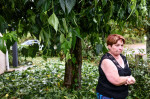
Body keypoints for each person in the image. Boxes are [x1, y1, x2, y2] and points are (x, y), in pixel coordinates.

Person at [96, 34, 136, 99]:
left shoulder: (123, 58)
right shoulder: (107, 60)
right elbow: (116, 81)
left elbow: (128, 73)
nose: (120, 48)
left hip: (122, 95)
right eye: (117, 45)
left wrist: (130, 78)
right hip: (107, 95)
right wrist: (128, 79)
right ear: (109, 46)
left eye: (122, 45)